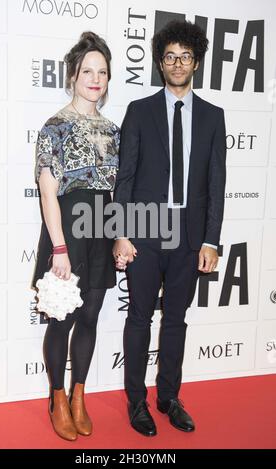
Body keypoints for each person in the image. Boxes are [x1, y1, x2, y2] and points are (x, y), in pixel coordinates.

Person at [113, 20, 226, 436]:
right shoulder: (139, 111)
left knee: (176, 318)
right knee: (140, 317)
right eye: (170, 56)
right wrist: (120, 232)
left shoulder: (213, 117)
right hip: (143, 228)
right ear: (160, 63)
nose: (177, 63)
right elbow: (124, 177)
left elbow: (217, 182)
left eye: (185, 56)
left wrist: (211, 239)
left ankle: (169, 397)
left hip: (190, 232)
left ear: (195, 62)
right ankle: (137, 403)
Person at [32, 32, 119, 441]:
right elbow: (48, 193)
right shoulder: (55, 127)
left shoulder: (114, 130)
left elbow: (115, 193)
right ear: (73, 75)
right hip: (67, 231)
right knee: (62, 321)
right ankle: (57, 397)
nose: (95, 79)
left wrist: (118, 237)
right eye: (88, 71)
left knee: (89, 317)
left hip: (101, 229)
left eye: (102, 72)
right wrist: (60, 248)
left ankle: (80, 395)